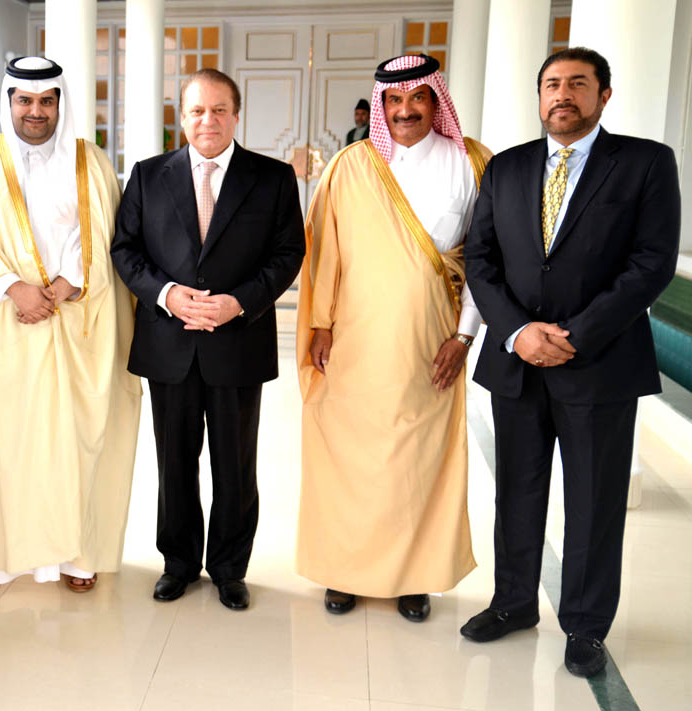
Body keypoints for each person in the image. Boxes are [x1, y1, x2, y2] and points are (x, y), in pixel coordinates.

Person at [461, 47, 679, 677]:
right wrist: (517, 332)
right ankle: (512, 604)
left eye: (578, 84)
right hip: (517, 362)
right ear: (539, 98)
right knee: (517, 490)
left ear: (603, 95)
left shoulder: (644, 163)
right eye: (552, 84)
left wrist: (575, 335)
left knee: (594, 499)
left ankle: (585, 625)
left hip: (601, 362)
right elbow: (481, 260)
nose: (563, 94)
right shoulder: (505, 168)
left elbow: (651, 263)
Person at [0, 56, 140, 594]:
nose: (35, 111)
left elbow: (102, 230)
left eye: (47, 100)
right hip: (0, 320)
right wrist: (12, 287)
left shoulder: (89, 161)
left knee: (70, 440)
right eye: (24, 100)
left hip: (73, 318)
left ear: (60, 104)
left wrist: (69, 282)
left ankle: (72, 552)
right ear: (9, 103)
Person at [296, 54, 491, 621]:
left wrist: (464, 336)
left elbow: (484, 259)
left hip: (432, 339)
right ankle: (345, 571)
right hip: (353, 341)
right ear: (380, 106)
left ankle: (414, 576)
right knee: (350, 453)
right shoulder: (349, 166)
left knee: (417, 459)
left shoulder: (473, 163)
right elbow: (324, 254)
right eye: (394, 101)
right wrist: (321, 326)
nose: (405, 111)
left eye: (418, 98)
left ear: (436, 100)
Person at [111, 68, 303, 610]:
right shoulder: (149, 176)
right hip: (169, 343)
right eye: (196, 110)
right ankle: (177, 562)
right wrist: (168, 294)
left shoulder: (272, 177)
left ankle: (229, 567)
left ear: (236, 115)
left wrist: (239, 301)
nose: (208, 120)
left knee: (234, 463)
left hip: (237, 342)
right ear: (182, 116)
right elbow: (125, 250)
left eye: (219, 109)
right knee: (174, 462)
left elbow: (289, 252)